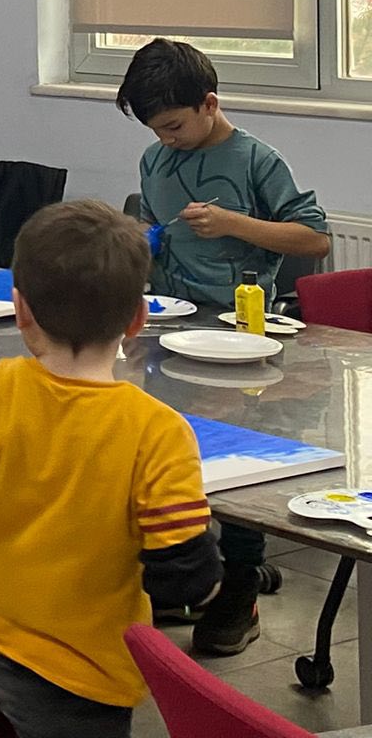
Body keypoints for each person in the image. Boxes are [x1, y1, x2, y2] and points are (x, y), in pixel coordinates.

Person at [0, 201, 222, 738]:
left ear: (20, 309)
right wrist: (218, 589)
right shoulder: (158, 432)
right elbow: (184, 577)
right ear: (138, 319)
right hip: (77, 674)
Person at [119, 36, 329, 653]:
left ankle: (240, 582)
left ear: (209, 104)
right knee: (167, 456)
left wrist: (234, 224)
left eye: (175, 126)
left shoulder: (256, 160)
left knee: (235, 461)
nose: (167, 139)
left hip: (240, 338)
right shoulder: (156, 159)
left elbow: (314, 239)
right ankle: (185, 576)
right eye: (156, 130)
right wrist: (141, 241)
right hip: (168, 333)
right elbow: (155, 227)